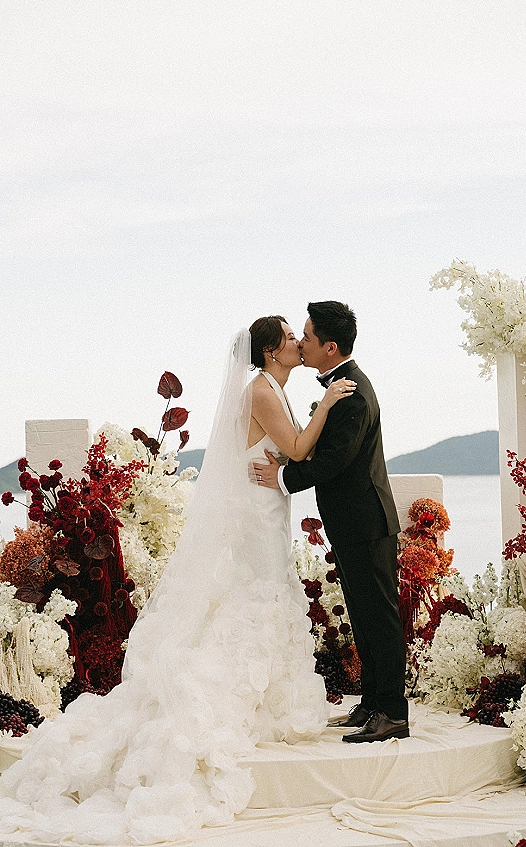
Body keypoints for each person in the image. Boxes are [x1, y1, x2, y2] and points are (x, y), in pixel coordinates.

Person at [0, 318, 355, 845]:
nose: (298, 342)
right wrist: (325, 407)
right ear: (270, 350)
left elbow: (282, 453)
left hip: (266, 508)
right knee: (255, 598)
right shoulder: (261, 390)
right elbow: (299, 450)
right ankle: (240, 697)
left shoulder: (272, 387)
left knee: (264, 595)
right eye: (289, 336)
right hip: (257, 515)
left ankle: (267, 693)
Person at [253, 301, 409, 743]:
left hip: (366, 520)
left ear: (330, 346)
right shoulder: (339, 386)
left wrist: (283, 476)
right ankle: (373, 703)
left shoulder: (352, 391)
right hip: (352, 521)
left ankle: (393, 713)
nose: (301, 342)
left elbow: (336, 460)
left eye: (307, 336)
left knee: (380, 617)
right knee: (363, 615)